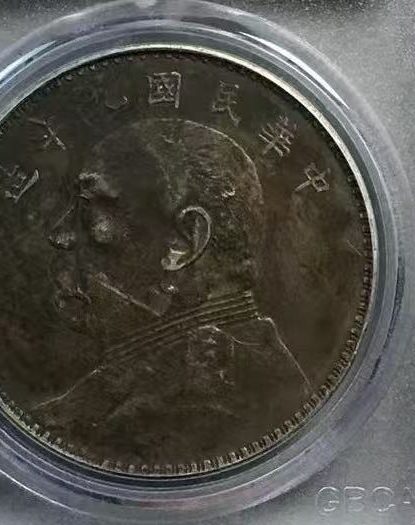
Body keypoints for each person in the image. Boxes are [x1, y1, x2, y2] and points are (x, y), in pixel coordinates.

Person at [37, 117, 311, 469]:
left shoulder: (194, 408)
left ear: (183, 244)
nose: (60, 235)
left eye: (89, 204)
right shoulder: (126, 392)